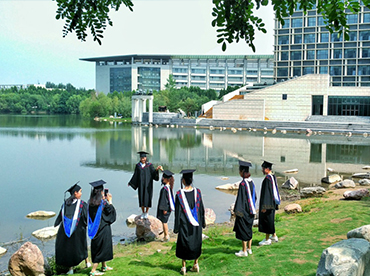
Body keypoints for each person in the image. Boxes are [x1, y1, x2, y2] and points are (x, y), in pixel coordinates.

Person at [54, 182, 91, 275]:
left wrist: (56, 224)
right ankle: (87, 263)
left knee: (71, 248)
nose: (81, 193)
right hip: (78, 230)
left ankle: (72, 268)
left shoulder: (65, 204)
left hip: (66, 231)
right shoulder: (82, 204)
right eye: (80, 191)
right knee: (81, 245)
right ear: (75, 193)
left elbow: (60, 217)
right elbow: (86, 216)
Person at [174, 169, 205, 275]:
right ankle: (195, 264)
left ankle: (183, 267)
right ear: (191, 180)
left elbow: (177, 212)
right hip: (196, 223)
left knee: (184, 243)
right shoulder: (198, 192)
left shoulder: (179, 194)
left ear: (183, 181)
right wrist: (203, 222)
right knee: (196, 242)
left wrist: (176, 227)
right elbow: (201, 209)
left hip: (184, 224)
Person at [88, 180, 116, 276]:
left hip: (95, 230)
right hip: (103, 229)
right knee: (101, 249)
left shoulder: (91, 203)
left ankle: (104, 266)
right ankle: (93, 271)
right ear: (101, 192)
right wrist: (110, 201)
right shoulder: (102, 203)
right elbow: (111, 214)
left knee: (100, 248)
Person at [233, 160, 257, 257]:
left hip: (244, 211)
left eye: (239, 171)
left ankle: (244, 251)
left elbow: (240, 199)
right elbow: (255, 197)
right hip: (251, 210)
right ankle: (249, 249)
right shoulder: (252, 182)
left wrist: (237, 212)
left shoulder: (243, 184)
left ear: (242, 172)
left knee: (243, 230)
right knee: (249, 229)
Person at [128, 151, 162, 219]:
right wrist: (131, 182)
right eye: (142, 158)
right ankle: (143, 212)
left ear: (146, 158)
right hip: (141, 185)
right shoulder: (138, 166)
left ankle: (146, 212)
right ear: (140, 158)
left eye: (144, 157)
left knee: (147, 198)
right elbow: (135, 175)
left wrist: (157, 170)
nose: (143, 159)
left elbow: (153, 173)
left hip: (148, 185)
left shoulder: (149, 165)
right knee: (141, 198)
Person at [258, 160, 281, 246]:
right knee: (270, 220)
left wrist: (265, 206)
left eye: (263, 169)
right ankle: (274, 236)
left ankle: (267, 239)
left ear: (267, 169)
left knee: (267, 220)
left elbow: (267, 193)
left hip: (268, 204)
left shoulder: (268, 179)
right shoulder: (273, 176)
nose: (262, 170)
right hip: (272, 203)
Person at [156, 170, 175, 242]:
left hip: (165, 208)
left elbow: (164, 200)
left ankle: (166, 236)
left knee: (164, 222)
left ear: (167, 179)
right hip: (168, 207)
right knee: (164, 222)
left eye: (163, 177)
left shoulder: (165, 189)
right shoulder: (169, 187)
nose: (162, 179)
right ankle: (166, 235)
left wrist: (164, 209)